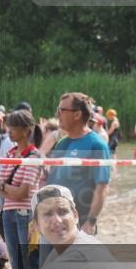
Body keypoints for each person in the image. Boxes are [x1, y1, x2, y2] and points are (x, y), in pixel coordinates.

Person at [46, 93, 110, 233]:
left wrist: (91, 222)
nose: (58, 115)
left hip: (78, 222)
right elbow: (52, 180)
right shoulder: (62, 143)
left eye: (61, 110)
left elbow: (102, 187)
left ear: (77, 115)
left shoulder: (97, 144)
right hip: (53, 220)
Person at [0, 111, 42, 269]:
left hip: (26, 214)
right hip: (8, 213)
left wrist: (4, 186)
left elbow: (23, 193)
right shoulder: (9, 154)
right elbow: (2, 186)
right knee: (16, 265)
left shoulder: (34, 156)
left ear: (25, 130)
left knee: (30, 263)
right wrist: (7, 187)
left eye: (13, 128)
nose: (9, 131)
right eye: (8, 127)